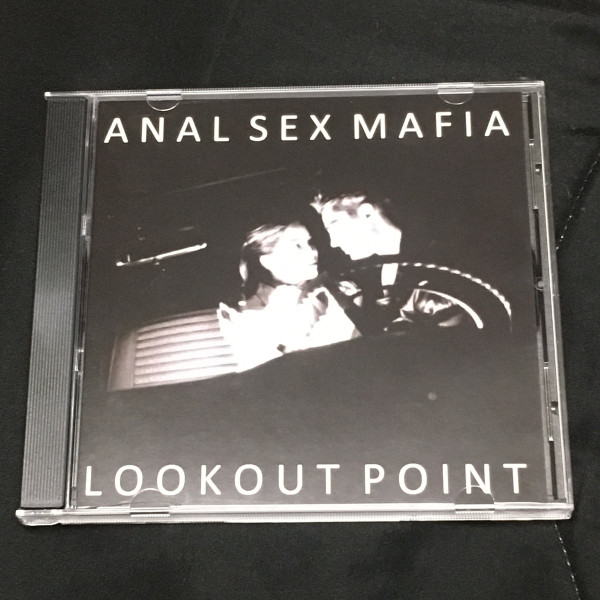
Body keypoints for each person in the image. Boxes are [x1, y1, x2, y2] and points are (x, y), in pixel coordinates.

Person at [312, 191, 511, 334]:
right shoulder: (389, 267)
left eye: (333, 226)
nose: (333, 243)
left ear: (367, 212)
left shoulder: (436, 268)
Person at [219, 221, 358, 371]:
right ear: (268, 261)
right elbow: (278, 371)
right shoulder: (247, 312)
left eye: (309, 242)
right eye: (297, 246)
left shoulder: (333, 289)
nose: (312, 251)